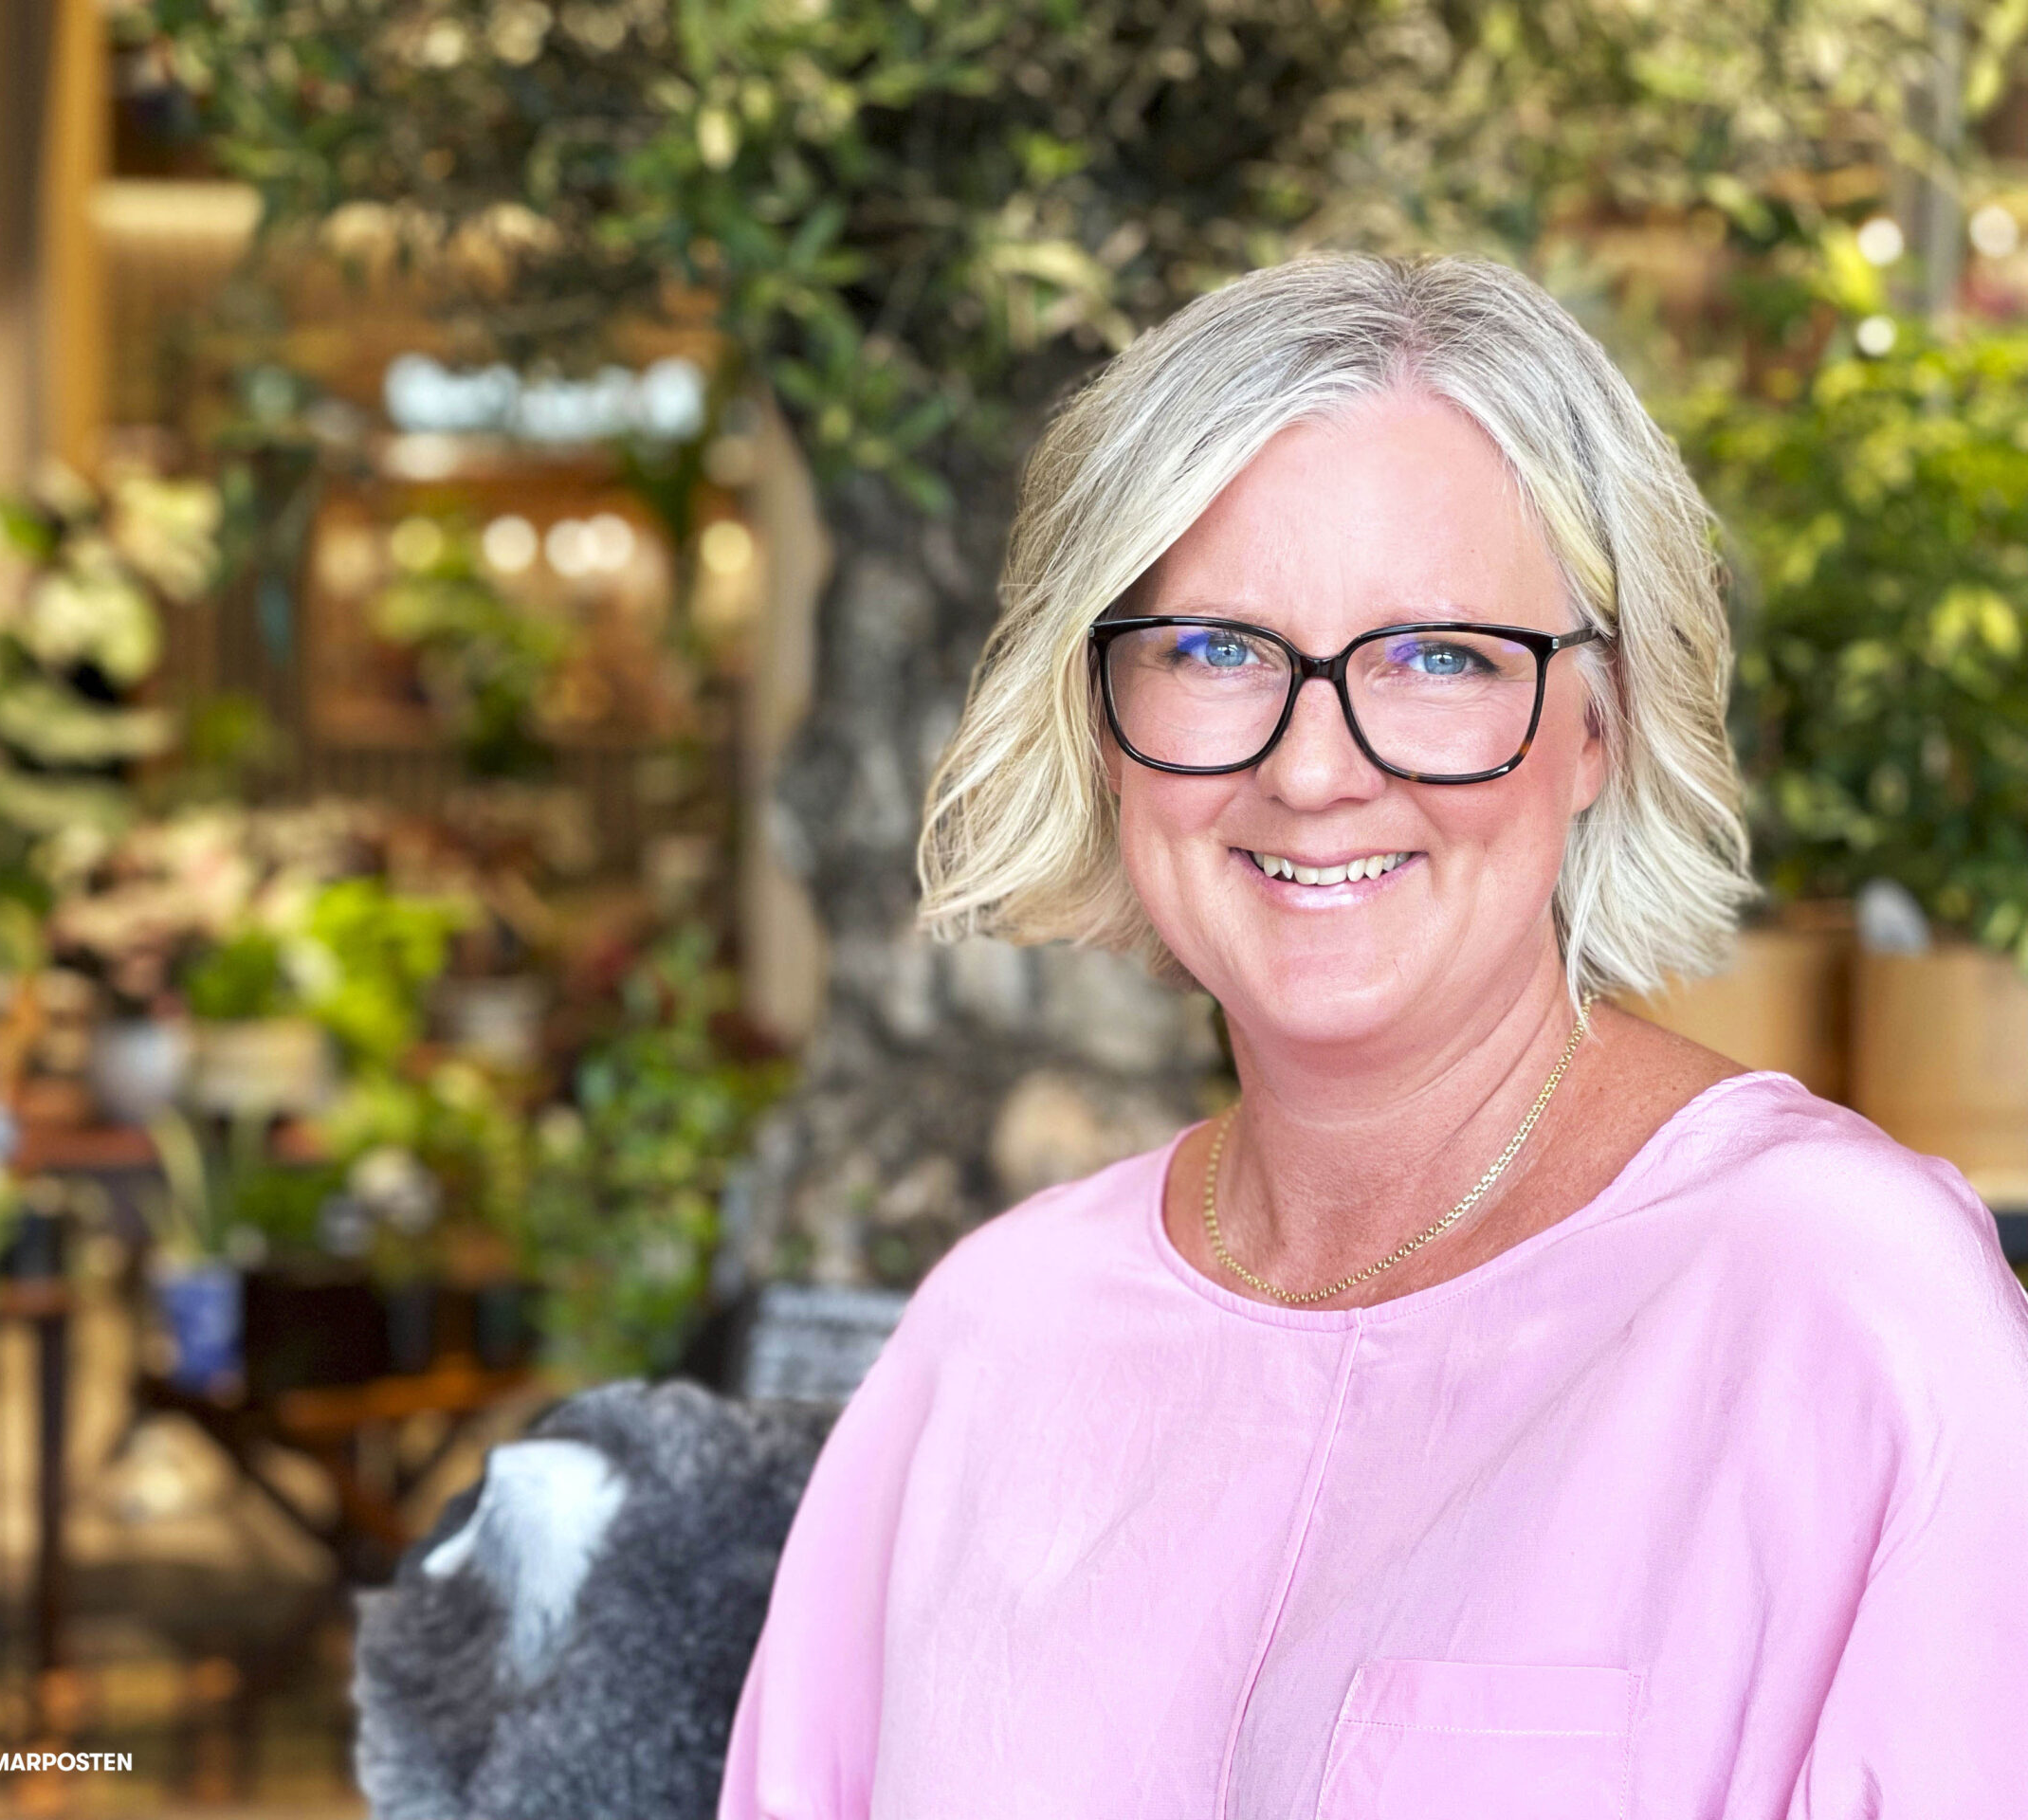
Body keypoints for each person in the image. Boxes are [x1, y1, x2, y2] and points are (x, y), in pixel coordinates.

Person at [715, 253, 2028, 1819]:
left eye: (1439, 657)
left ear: (1599, 724)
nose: (1315, 769)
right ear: (1100, 714)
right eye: (1215, 650)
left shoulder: (1839, 1302)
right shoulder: (990, 1338)